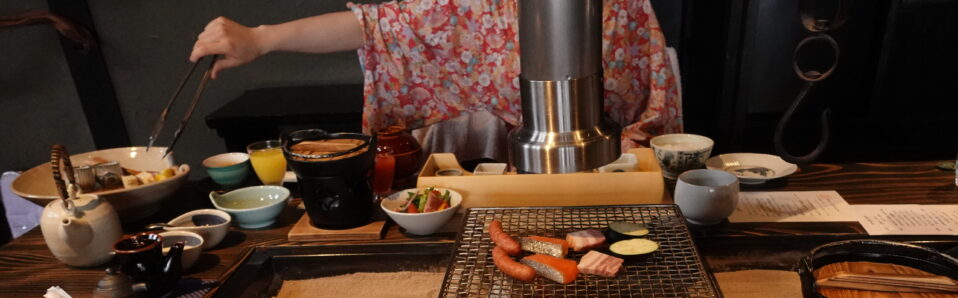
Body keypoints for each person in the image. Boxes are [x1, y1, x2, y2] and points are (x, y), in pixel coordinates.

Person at [190, 1, 682, 159]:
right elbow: (374, 25)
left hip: (606, 167)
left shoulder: (622, 6)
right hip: (521, 170)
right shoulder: (476, 9)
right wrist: (260, 38)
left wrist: (639, 148)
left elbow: (655, 111)